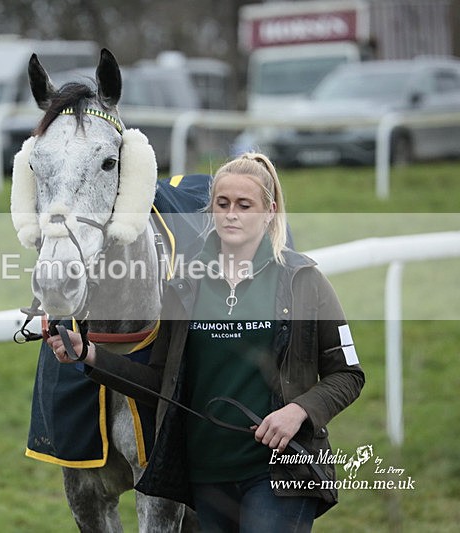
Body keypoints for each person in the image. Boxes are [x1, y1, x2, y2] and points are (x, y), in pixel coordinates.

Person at [47, 152, 365, 531]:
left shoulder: (304, 281)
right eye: (222, 204)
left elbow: (348, 374)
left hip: (279, 472)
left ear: (269, 212)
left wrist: (298, 411)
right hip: (207, 482)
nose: (231, 214)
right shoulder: (184, 288)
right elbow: (160, 385)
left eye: (244, 205)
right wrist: (90, 355)